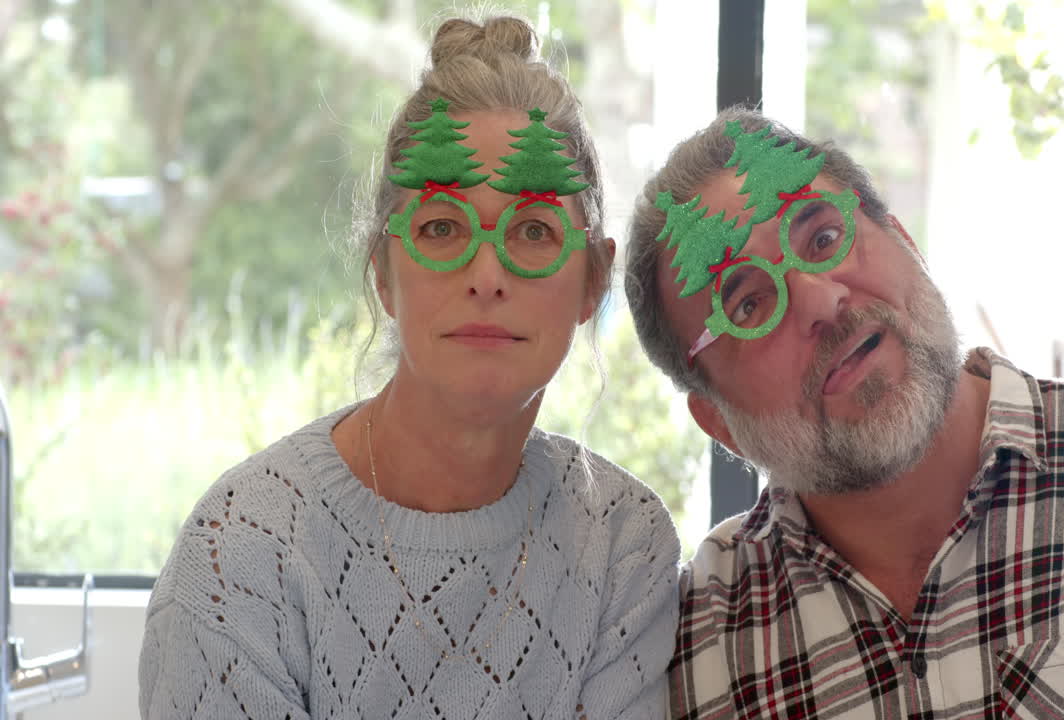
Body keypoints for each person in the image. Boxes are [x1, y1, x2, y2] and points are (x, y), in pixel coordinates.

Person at [624, 106, 1064, 719]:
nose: (821, 300)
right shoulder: (704, 648)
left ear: (905, 240)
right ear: (717, 421)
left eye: (824, 236)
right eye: (747, 305)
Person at [139, 15, 679, 719]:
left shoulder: (622, 544)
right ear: (385, 276)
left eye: (534, 230)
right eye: (442, 228)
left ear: (593, 281)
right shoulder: (240, 556)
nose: (487, 274)